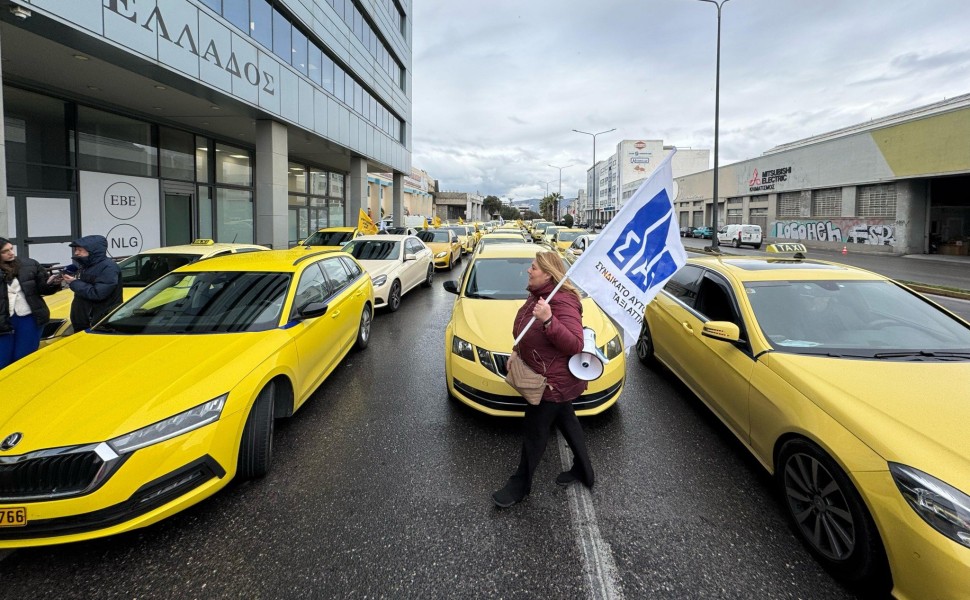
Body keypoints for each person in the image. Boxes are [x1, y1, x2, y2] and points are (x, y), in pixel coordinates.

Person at [492, 251, 594, 508]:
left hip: (552, 383)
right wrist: (517, 350)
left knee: (535, 433)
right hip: (550, 377)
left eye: (534, 267)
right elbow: (525, 329)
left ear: (548, 273)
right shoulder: (539, 296)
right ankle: (585, 472)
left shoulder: (561, 302)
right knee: (568, 423)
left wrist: (549, 319)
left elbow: (575, 344)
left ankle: (519, 486)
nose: (529, 270)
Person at [0, 238, 61, 369]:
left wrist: (53, 284)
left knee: (24, 358)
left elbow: (43, 288)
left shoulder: (29, 264)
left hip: (28, 317)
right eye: (5, 251)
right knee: (3, 360)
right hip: (3, 320)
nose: (11, 253)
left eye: (11, 248)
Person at [62, 235, 123, 332]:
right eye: (76, 250)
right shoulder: (87, 266)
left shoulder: (108, 268)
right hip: (84, 321)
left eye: (80, 250)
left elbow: (98, 293)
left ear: (92, 251)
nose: (76, 253)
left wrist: (74, 282)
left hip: (99, 324)